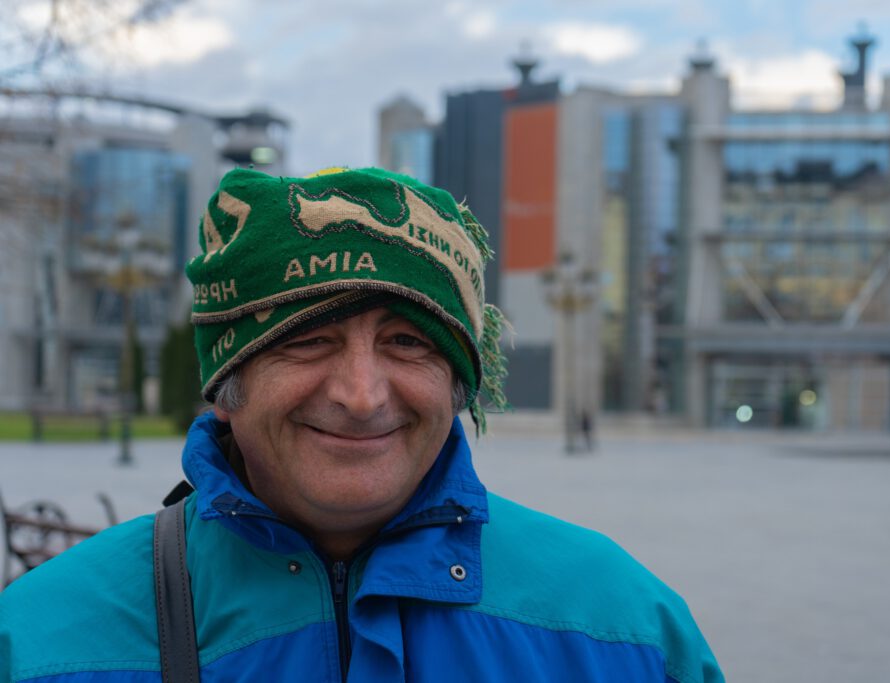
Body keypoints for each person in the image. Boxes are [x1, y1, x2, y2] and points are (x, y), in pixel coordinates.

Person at [0, 167, 722, 682]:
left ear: (458, 383)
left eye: (408, 342)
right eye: (306, 340)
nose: (361, 394)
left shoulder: (622, 627)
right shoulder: (36, 644)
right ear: (226, 385)